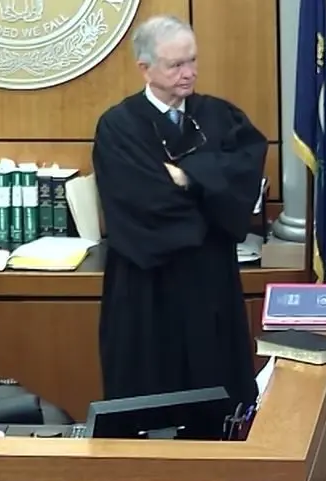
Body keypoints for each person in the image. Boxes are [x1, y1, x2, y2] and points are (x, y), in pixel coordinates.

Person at [92, 15, 268, 413]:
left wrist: (189, 177)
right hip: (148, 286)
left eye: (192, 60)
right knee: (151, 399)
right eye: (175, 65)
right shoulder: (119, 127)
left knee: (218, 394)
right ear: (145, 68)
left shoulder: (220, 116)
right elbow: (144, 202)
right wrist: (211, 197)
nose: (189, 73)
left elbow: (244, 176)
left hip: (211, 282)